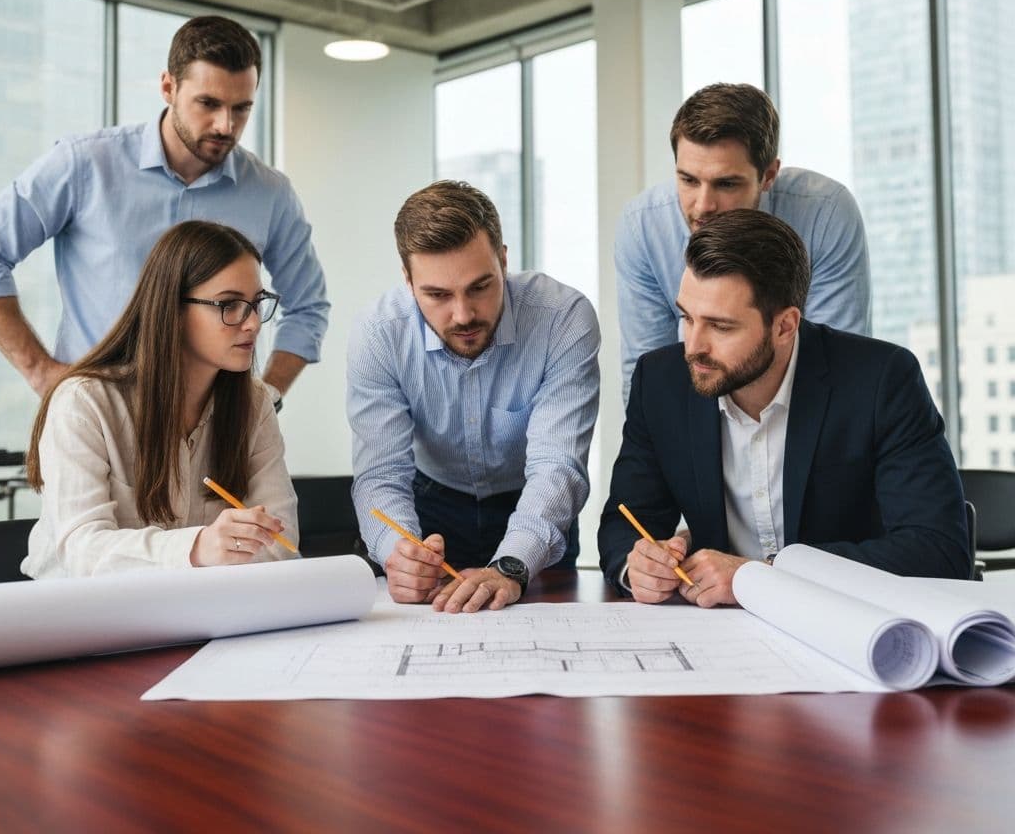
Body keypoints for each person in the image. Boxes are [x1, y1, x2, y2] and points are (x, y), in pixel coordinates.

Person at [598, 209, 969, 607]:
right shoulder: (661, 382)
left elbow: (939, 552)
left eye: (721, 327)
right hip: (717, 631)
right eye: (688, 318)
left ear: (785, 326)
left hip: (847, 622)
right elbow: (625, 522)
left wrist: (758, 575)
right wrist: (637, 566)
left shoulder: (881, 380)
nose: (693, 346)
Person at [0, 15, 328, 402]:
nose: (226, 124)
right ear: (168, 86)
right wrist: (40, 372)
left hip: (213, 432)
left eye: (241, 108)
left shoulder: (270, 193)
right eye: (209, 103)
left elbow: (308, 307)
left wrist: (266, 398)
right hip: (97, 416)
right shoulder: (84, 164)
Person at [348, 180, 600, 613]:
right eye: (438, 295)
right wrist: (399, 551)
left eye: (480, 287)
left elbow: (556, 465)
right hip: (431, 507)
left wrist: (513, 565)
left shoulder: (563, 319)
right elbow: (380, 473)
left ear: (504, 260)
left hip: (534, 503)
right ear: (408, 281)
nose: (463, 314)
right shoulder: (378, 334)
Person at [22, 221, 298, 578]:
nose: (253, 324)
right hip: (79, 618)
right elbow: (82, 548)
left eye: (256, 303)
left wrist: (232, 553)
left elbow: (281, 541)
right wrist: (198, 547)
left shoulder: (254, 403)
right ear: (174, 311)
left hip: (200, 613)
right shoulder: (83, 403)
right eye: (230, 305)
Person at [615, 82, 871, 400]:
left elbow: (839, 363)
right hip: (702, 419)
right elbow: (647, 380)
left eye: (726, 184)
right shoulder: (642, 228)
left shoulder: (826, 213)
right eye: (688, 180)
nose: (703, 205)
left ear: (768, 175)